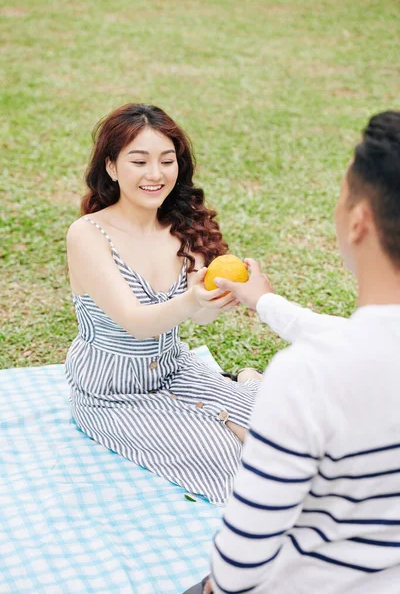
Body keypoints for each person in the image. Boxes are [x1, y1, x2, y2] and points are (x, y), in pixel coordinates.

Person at [186, 110, 400, 593]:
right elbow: (345, 335)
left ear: (359, 221)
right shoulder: (345, 351)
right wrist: (264, 300)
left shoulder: (309, 376)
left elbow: (239, 566)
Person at [65, 103, 263, 506]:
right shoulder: (88, 234)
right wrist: (191, 299)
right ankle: (247, 386)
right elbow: (136, 322)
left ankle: (247, 381)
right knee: (238, 464)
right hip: (113, 395)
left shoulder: (181, 227)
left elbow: (201, 316)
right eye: (139, 161)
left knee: (286, 432)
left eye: (167, 160)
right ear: (112, 167)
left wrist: (218, 299)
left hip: (176, 369)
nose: (155, 174)